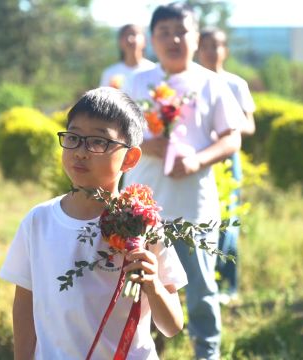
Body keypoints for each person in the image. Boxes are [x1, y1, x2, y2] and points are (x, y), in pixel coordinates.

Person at [0, 87, 187, 359]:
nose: (81, 152)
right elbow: (25, 306)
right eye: (73, 138)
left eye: (98, 142)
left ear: (130, 158)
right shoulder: (38, 221)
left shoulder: (143, 226)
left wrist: (153, 285)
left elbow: (171, 326)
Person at [123, 3, 244, 359]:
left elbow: (231, 138)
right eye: (164, 32)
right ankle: (146, 351)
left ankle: (207, 353)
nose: (174, 39)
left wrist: (196, 160)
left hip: (194, 208)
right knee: (140, 284)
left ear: (195, 37)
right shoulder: (138, 81)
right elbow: (117, 135)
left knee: (202, 291)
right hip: (143, 206)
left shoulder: (211, 82)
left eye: (182, 31)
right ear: (152, 39)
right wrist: (147, 143)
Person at [197, 28, 256, 305]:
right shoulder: (192, 82)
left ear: (225, 50)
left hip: (227, 161)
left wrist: (225, 124)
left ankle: (228, 285)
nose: (211, 51)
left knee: (227, 222)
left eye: (216, 46)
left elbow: (249, 125)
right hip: (199, 157)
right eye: (206, 46)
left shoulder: (236, 84)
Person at [99, 24, 156, 90]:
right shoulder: (110, 73)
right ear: (119, 42)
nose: (130, 39)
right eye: (125, 35)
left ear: (145, 41)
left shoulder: (154, 70)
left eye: (134, 34)